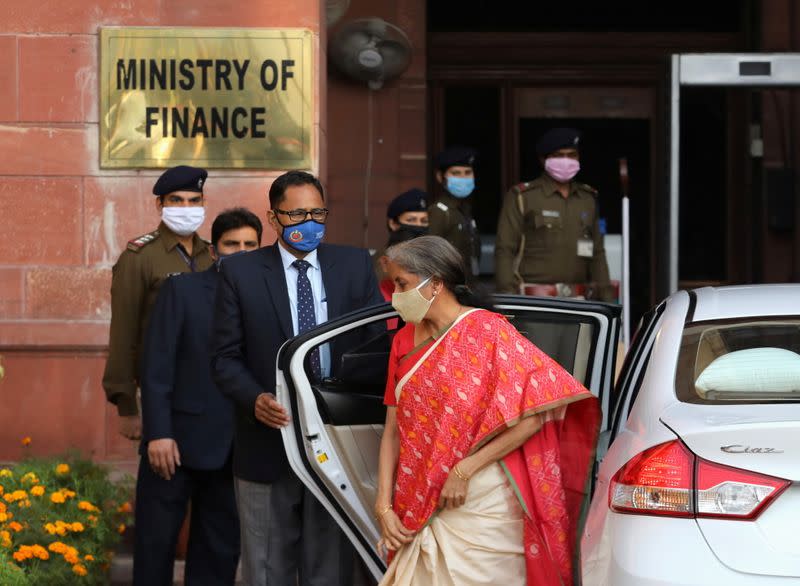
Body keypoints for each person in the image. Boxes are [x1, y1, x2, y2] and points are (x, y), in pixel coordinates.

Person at [375, 235, 600, 586]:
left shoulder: (488, 331)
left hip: (480, 497)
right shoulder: (403, 341)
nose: (396, 296)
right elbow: (392, 430)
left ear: (434, 284)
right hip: (416, 498)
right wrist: (383, 506)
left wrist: (464, 470)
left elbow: (533, 417)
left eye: (402, 284)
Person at [211, 170, 384, 586]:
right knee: (266, 568)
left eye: (318, 212)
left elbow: (376, 345)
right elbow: (223, 358)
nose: (310, 223)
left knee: (329, 568)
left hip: (337, 443)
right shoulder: (241, 272)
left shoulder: (354, 264)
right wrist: (254, 399)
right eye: (298, 213)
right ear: (273, 219)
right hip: (267, 441)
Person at [134, 208, 263, 585]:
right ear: (214, 248)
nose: (241, 251)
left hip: (236, 448)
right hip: (174, 446)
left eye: (250, 245)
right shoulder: (182, 289)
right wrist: (158, 432)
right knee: (154, 549)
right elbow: (156, 366)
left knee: (219, 553)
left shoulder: (265, 297)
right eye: (232, 244)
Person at [103, 165, 214, 441]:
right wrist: (126, 406)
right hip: (159, 392)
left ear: (203, 203)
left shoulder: (212, 255)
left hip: (210, 393)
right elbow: (123, 334)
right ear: (159, 204)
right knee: (163, 476)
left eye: (193, 200)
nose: (186, 208)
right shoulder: (139, 257)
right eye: (176, 200)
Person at [495, 128, 614, 301]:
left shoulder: (587, 198)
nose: (566, 160)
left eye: (571, 155)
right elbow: (505, 250)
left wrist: (608, 300)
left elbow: (597, 253)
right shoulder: (523, 197)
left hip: (579, 301)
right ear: (543, 159)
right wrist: (508, 298)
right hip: (534, 301)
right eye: (559, 155)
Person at [428, 146, 481, 282]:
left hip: (468, 283)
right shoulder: (439, 212)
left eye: (467, 172)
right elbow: (431, 257)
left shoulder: (464, 210)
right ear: (440, 177)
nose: (463, 178)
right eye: (456, 173)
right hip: (449, 285)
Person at [373, 188, 429, 300]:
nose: (418, 226)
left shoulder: (432, 258)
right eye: (411, 220)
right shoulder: (383, 263)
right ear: (393, 223)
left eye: (423, 221)